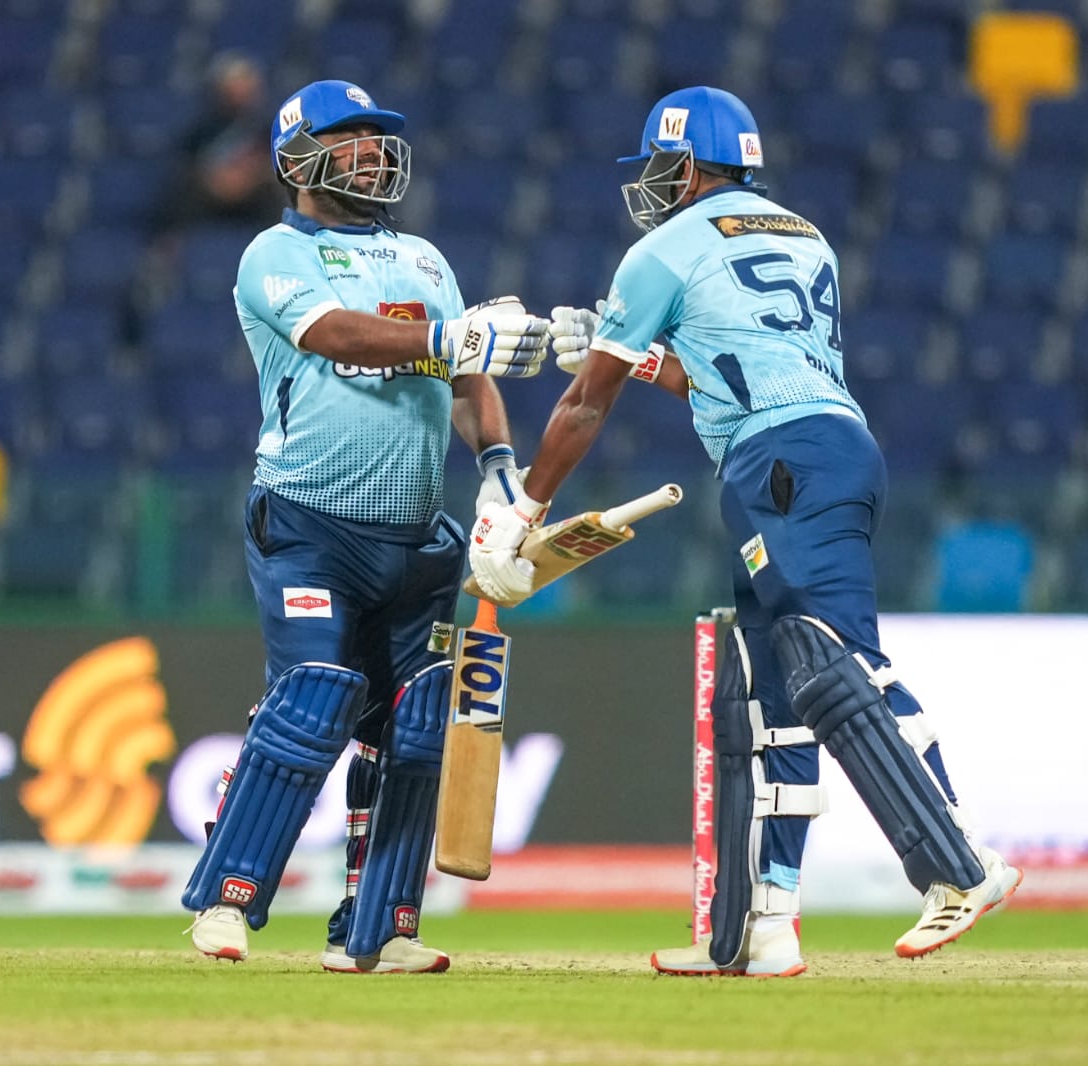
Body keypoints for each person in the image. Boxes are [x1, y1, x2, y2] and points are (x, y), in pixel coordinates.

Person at [467, 86, 1023, 975]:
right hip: (816, 449)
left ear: (689, 166)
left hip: (783, 459)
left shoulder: (662, 249)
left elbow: (582, 405)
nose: (653, 183)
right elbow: (728, 370)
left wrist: (522, 512)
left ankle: (959, 864)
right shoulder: (804, 235)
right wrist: (636, 352)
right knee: (767, 703)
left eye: (662, 166)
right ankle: (760, 927)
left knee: (834, 662)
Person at [180, 78, 549, 973]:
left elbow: (467, 380)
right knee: (312, 695)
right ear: (298, 159)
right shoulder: (274, 253)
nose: (372, 152)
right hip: (310, 524)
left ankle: (379, 928)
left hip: (416, 537)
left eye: (377, 138)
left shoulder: (422, 257)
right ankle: (228, 900)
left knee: (415, 724)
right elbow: (337, 336)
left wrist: (499, 470)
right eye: (348, 138)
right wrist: (453, 338)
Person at [157, 51, 283, 232]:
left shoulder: (268, 129)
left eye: (246, 88)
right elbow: (189, 162)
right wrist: (217, 180)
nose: (240, 94)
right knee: (183, 189)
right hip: (210, 192)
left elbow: (277, 164)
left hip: (254, 193)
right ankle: (171, 243)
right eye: (234, 88)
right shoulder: (203, 129)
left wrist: (249, 179)